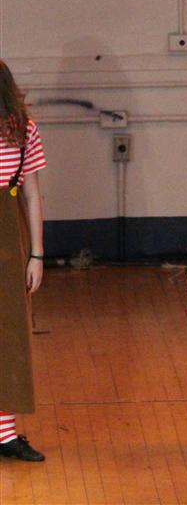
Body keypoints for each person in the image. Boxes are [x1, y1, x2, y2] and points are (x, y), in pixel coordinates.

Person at [0, 59, 47, 462]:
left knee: (10, 331)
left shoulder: (22, 130)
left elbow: (32, 194)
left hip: (8, 235)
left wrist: (36, 254)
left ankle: (5, 433)